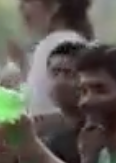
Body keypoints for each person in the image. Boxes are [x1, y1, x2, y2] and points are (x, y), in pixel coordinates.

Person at [20, 0, 92, 133]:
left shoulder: (56, 45)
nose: (21, 8)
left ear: (54, 6)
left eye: (27, 1)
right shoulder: (74, 41)